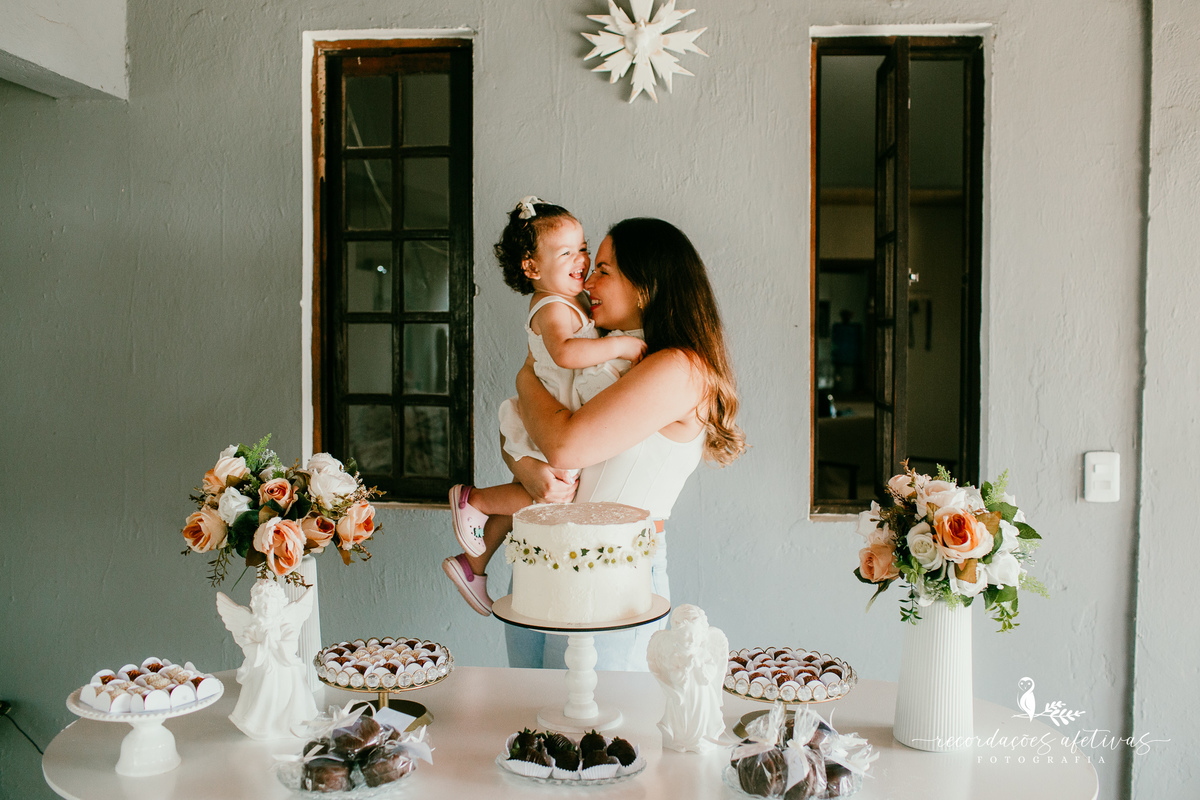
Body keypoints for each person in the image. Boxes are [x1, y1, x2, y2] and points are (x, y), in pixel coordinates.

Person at [505, 217, 746, 670]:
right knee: (530, 721)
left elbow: (563, 445)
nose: (586, 280)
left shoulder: (678, 367)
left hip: (614, 573)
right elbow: (526, 437)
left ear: (646, 285)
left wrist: (523, 378)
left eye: (603, 269)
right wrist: (524, 470)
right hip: (542, 557)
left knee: (588, 729)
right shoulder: (600, 350)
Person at [442, 198, 646, 616]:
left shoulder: (573, 302)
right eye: (566, 252)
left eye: (583, 247)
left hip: (554, 413)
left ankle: (473, 565)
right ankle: (475, 501)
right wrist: (624, 344)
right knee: (551, 495)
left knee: (537, 499)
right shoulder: (552, 306)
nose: (582, 260)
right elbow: (567, 353)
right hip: (544, 415)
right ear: (532, 269)